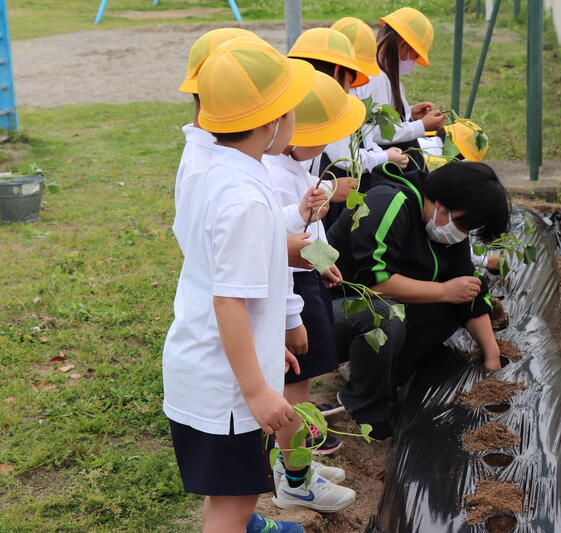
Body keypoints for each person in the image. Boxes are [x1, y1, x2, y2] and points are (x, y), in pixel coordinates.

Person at [162, 36, 313, 533]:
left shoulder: (219, 170)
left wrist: (269, 350)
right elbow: (229, 300)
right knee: (236, 505)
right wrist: (256, 390)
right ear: (273, 121)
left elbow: (235, 280)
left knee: (226, 495)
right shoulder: (244, 197)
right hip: (225, 389)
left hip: (209, 366)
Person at [326, 161, 510, 440]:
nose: (463, 233)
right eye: (464, 223)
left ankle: (379, 376)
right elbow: (376, 281)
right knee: (386, 315)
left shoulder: (447, 225)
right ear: (442, 204)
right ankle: (363, 405)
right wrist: (444, 291)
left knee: (453, 301)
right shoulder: (388, 203)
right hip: (333, 314)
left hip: (377, 309)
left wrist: (492, 358)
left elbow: (468, 289)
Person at [261, 71, 366, 509]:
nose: (324, 149)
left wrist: (324, 263)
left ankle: (294, 462)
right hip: (290, 285)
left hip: (306, 277)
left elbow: (311, 225)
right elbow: (279, 242)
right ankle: (296, 479)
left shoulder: (301, 162)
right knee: (295, 386)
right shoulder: (272, 173)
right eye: (318, 139)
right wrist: (291, 317)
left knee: (303, 380)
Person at [174, 27, 315, 271]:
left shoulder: (237, 149)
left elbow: (249, 226)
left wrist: (294, 217)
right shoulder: (203, 168)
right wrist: (279, 252)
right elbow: (204, 255)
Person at [287, 27, 407, 228]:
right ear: (337, 71)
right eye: (351, 81)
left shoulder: (292, 102)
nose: (351, 89)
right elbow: (341, 157)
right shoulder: (325, 110)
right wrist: (329, 188)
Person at [352, 7, 446, 170]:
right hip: (382, 163)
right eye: (414, 56)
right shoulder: (377, 78)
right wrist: (421, 126)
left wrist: (409, 112)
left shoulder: (382, 73)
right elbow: (375, 132)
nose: (413, 62)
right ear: (403, 45)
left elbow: (378, 116)